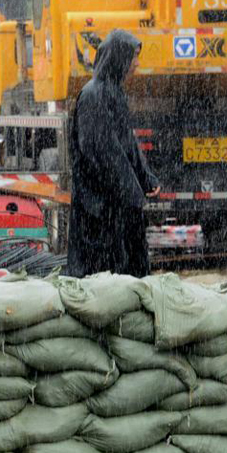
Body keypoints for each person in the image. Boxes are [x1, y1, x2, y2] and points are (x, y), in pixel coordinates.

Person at [67, 29, 160, 277]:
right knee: (103, 273)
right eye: (133, 58)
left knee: (126, 270)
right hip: (99, 208)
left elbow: (127, 143)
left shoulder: (113, 93)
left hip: (115, 204)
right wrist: (131, 193)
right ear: (119, 59)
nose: (137, 65)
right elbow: (104, 152)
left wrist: (145, 177)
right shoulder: (93, 96)